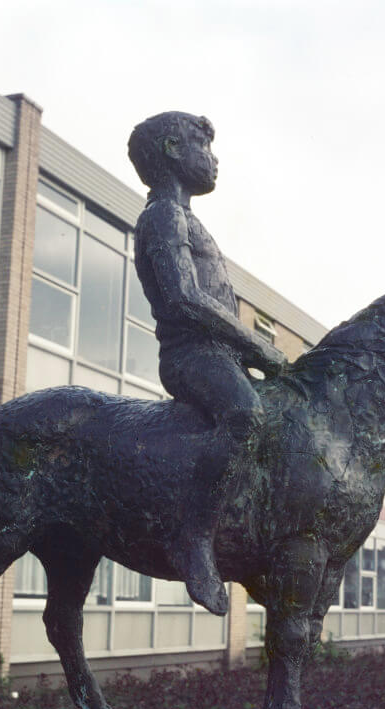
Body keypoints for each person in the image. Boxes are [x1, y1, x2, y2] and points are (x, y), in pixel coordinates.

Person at [128, 111, 287, 615]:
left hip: (221, 357)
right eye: (205, 146)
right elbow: (184, 298)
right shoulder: (162, 217)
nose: (214, 160)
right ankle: (193, 539)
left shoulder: (190, 221)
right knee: (246, 416)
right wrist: (258, 347)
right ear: (174, 149)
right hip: (190, 357)